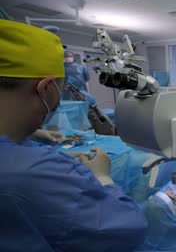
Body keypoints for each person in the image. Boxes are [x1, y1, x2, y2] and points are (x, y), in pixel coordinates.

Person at [0, 20, 147, 251]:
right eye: (61, 85)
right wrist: (102, 177)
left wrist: (34, 135)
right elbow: (128, 230)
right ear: (46, 87)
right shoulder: (33, 173)